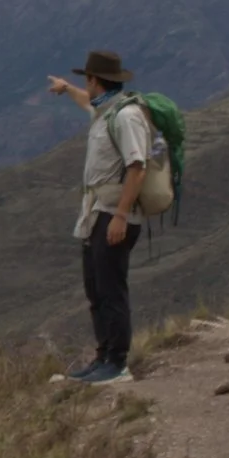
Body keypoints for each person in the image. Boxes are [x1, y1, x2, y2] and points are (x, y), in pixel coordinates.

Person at [46, 49, 154, 383]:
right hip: (95, 215)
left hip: (112, 214)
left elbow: (137, 167)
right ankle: (103, 356)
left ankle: (117, 363)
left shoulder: (125, 117)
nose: (85, 85)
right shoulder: (104, 110)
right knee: (96, 289)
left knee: (111, 289)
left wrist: (121, 216)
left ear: (94, 80)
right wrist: (66, 90)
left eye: (85, 80)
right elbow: (86, 103)